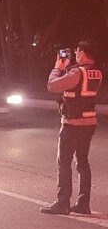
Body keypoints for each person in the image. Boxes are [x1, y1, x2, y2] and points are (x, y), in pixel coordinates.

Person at [40, 40, 103, 215]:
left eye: (77, 51)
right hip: (89, 123)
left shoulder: (77, 72)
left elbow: (52, 85)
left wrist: (57, 67)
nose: (75, 54)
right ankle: (84, 203)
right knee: (83, 162)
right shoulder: (96, 72)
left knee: (64, 162)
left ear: (83, 53)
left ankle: (62, 203)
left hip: (73, 124)